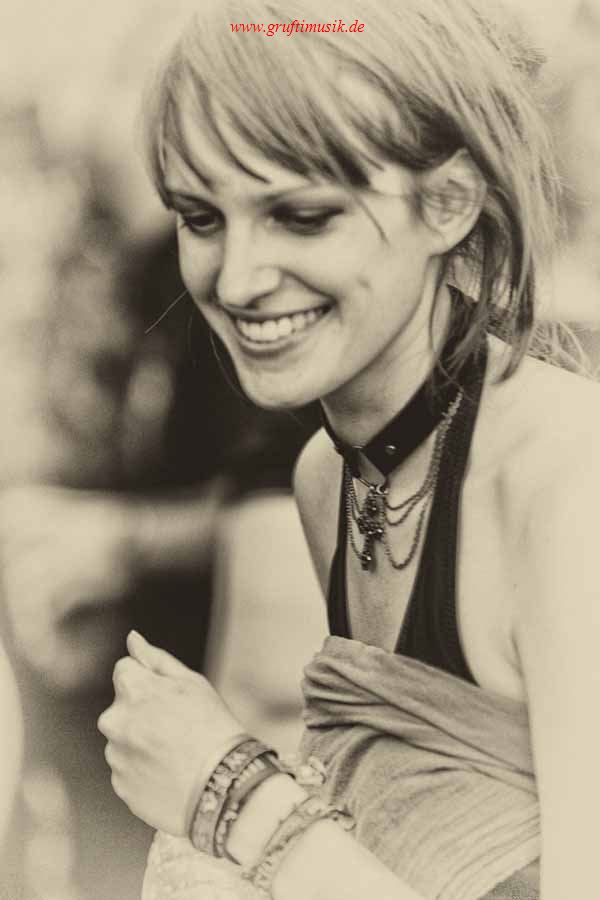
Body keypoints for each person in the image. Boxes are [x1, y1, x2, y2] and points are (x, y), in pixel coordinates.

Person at [98, 1, 600, 898]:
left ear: (449, 203)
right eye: (201, 218)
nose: (239, 279)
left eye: (302, 216)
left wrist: (233, 795)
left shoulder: (566, 479)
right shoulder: (328, 476)